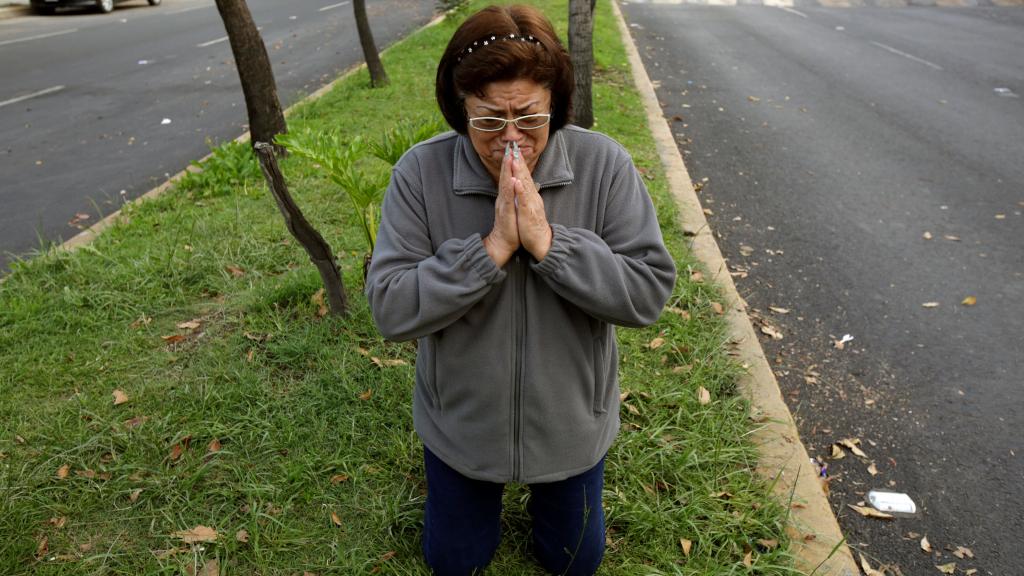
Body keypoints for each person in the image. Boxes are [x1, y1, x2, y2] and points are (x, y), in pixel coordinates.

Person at [365, 5, 676, 575]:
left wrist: (549, 243)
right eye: (488, 120)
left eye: (529, 118)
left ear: (554, 104)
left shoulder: (602, 165)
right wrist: (489, 251)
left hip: (570, 426)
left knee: (574, 563)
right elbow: (389, 306)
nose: (511, 139)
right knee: (454, 563)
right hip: (461, 428)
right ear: (460, 110)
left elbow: (648, 289)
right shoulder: (420, 173)